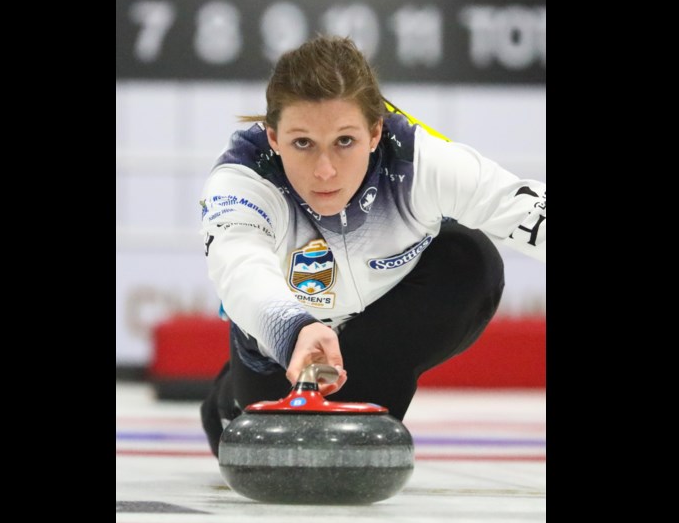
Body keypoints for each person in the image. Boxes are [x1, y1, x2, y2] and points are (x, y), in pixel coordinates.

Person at [199, 35, 545, 457]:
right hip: (283, 343)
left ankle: (366, 398)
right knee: (265, 451)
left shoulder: (418, 162)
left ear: (375, 131)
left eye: (345, 141)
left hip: (381, 327)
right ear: (272, 137)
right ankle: (229, 394)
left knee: (468, 258)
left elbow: (521, 209)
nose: (325, 171)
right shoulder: (243, 178)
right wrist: (292, 330)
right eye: (302, 143)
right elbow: (239, 265)